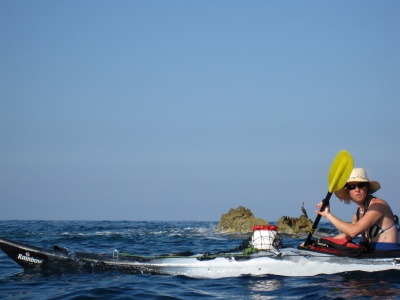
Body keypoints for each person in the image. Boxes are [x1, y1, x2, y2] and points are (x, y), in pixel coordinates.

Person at [316, 168, 399, 251]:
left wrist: (328, 215)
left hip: (388, 255)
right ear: (348, 191)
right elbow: (349, 235)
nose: (357, 190)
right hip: (370, 255)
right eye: (351, 187)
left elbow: (353, 231)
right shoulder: (358, 214)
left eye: (361, 185)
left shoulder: (378, 205)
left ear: (367, 187)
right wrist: (320, 243)